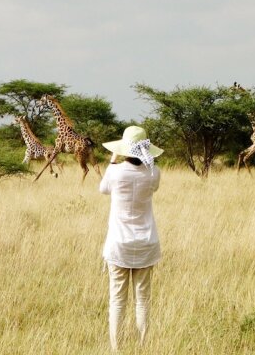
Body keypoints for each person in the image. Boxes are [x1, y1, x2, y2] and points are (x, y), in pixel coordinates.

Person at [99, 126, 164, 351]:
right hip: (146, 243)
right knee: (143, 299)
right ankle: (143, 346)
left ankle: (117, 349)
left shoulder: (115, 172)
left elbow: (103, 189)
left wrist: (113, 159)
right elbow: (152, 184)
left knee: (117, 300)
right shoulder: (154, 172)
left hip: (118, 245)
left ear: (125, 148)